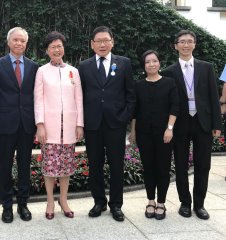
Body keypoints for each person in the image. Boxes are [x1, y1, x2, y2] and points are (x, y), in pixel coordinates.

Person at [162, 30, 222, 220]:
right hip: (180, 122)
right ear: (176, 45)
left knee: (203, 164)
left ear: (195, 44)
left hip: (202, 122)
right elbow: (168, 103)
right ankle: (185, 203)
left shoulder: (206, 68)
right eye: (182, 42)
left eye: (189, 41)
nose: (186, 45)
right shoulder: (169, 72)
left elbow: (214, 97)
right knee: (180, 164)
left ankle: (200, 204)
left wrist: (217, 124)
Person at [78, 26, 135, 222]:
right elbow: (80, 96)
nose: (102, 44)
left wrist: (124, 117)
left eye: (106, 40)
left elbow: (131, 94)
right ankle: (99, 201)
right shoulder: (83, 66)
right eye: (98, 41)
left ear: (112, 42)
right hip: (93, 124)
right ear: (92, 44)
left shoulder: (124, 63)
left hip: (115, 124)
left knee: (116, 165)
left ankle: (116, 205)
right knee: (95, 165)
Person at [0, 27, 38, 223]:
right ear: (8, 42)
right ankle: (6, 206)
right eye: (15, 40)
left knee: (25, 164)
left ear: (26, 44)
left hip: (27, 123)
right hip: (7, 122)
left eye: (22, 41)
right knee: (5, 165)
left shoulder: (34, 67)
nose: (19, 43)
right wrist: (4, 112)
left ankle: (23, 204)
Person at [34, 31, 84, 220]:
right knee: (50, 167)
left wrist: (80, 124)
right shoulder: (42, 71)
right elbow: (38, 100)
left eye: (59, 46)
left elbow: (79, 99)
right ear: (47, 50)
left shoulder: (74, 71)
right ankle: (49, 201)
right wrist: (40, 124)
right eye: (53, 46)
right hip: (50, 127)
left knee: (66, 166)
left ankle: (63, 200)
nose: (57, 49)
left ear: (64, 49)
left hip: (69, 127)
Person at [128, 50, 179, 220]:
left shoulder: (169, 83)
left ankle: (162, 203)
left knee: (163, 168)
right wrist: (133, 131)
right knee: (148, 168)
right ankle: (150, 201)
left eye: (154, 61)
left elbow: (174, 107)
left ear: (159, 63)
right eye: (148, 62)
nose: (151, 64)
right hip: (143, 134)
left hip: (164, 134)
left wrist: (169, 128)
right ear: (144, 66)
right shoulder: (138, 85)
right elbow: (134, 111)